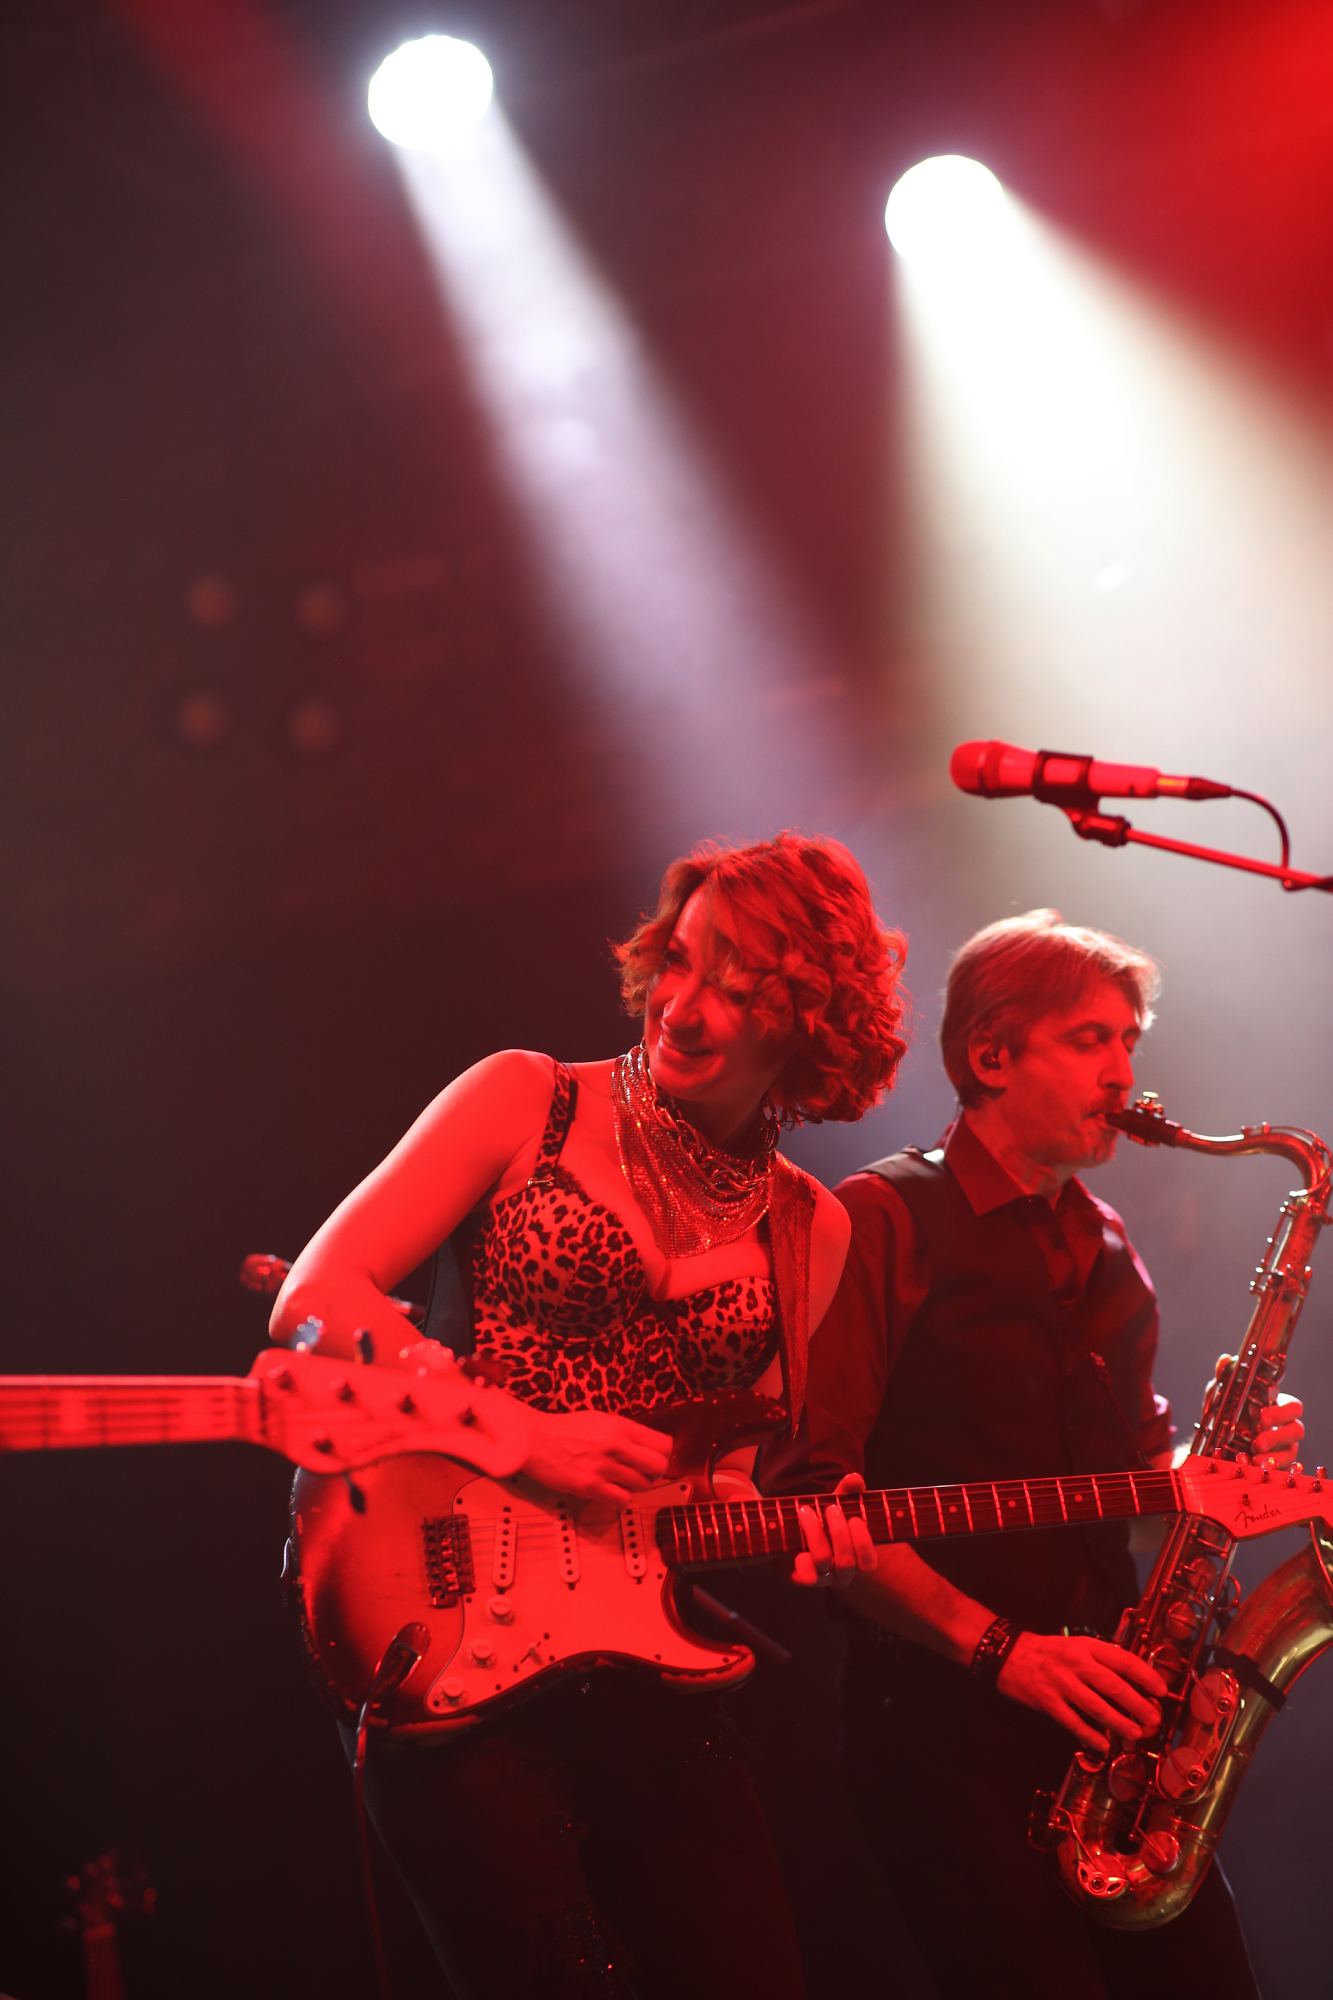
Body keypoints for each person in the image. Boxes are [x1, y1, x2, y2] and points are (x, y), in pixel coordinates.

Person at [270, 831, 908, 2000]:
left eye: (739, 985)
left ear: (809, 1023)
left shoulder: (812, 1227)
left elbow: (720, 1479)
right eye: (683, 957)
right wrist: (517, 1432)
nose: (684, 1003)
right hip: (450, 1618)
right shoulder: (527, 1096)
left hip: (642, 1659)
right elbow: (316, 1297)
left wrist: (814, 1533)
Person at [789, 909, 1304, 1999]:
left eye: (1130, 1040)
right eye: (1090, 1039)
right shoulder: (883, 1214)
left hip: (1117, 1737)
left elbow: (1141, 1496)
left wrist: (1220, 1468)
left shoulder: (1108, 1244)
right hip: (944, 1735)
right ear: (989, 1054)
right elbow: (817, 1504)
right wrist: (1006, 1653)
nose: (1123, 1070)